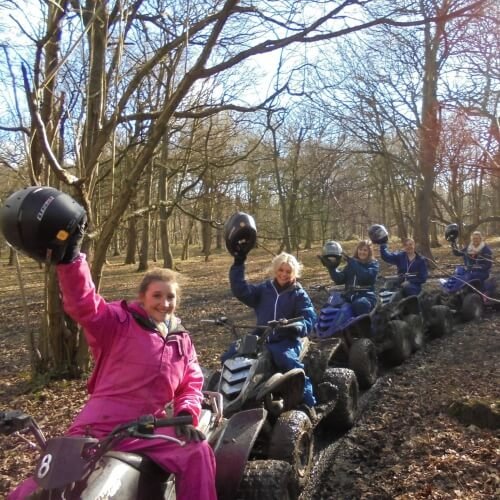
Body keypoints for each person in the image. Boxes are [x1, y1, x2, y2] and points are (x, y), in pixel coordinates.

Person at [9, 224, 217, 499]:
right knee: (46, 482)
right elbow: (84, 304)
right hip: (99, 425)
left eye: (170, 297)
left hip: (147, 429)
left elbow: (191, 382)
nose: (164, 303)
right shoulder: (117, 322)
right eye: (157, 295)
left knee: (197, 452)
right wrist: (72, 259)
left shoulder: (182, 341)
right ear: (142, 297)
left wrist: (185, 414)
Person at [229, 251, 318, 409]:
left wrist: (295, 326)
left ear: (294, 273)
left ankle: (308, 401)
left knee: (287, 361)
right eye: (280, 270)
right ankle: (230, 395)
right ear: (275, 270)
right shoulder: (264, 289)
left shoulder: (298, 294)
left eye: (288, 271)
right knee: (231, 355)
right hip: (261, 336)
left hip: (286, 339)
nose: (283, 274)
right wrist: (238, 263)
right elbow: (241, 290)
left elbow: (309, 317)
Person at [319, 240, 379, 315]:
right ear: (357, 250)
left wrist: (352, 261)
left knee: (361, 304)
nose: (362, 252)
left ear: (369, 252)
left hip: (366, 296)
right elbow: (340, 279)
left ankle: (364, 326)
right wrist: (331, 267)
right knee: (329, 305)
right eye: (360, 249)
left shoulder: (373, 264)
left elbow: (365, 276)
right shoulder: (352, 263)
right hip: (349, 296)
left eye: (365, 250)